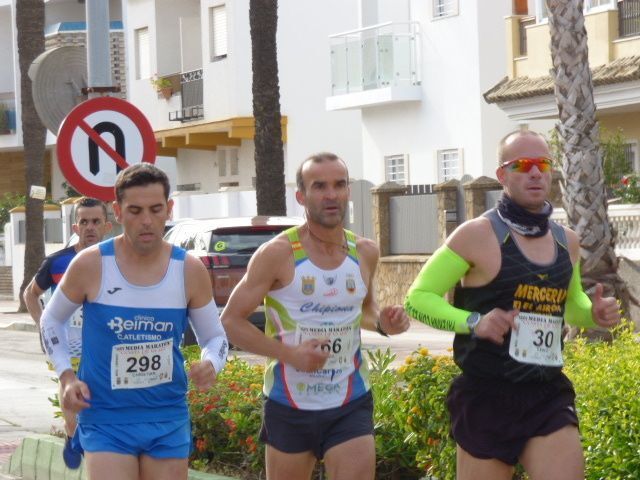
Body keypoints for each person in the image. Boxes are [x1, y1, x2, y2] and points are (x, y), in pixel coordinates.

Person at [404, 129, 620, 480]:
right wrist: (474, 321)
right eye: (522, 164)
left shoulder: (567, 241)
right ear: (502, 175)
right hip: (486, 395)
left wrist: (592, 313)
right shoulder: (475, 235)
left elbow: (571, 305)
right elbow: (417, 298)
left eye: (542, 164)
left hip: (546, 394)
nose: (535, 172)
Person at [221, 152, 411, 480]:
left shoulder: (365, 251)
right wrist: (291, 354)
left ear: (348, 191)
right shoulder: (278, 253)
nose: (331, 194)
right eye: (319, 186)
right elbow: (231, 321)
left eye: (339, 185)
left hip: (350, 400)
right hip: (290, 403)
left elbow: (365, 310)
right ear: (301, 196)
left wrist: (384, 322)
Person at [40, 163, 228, 480]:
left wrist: (212, 363)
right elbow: (51, 320)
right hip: (106, 417)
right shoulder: (91, 264)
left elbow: (215, 338)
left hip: (166, 416)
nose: (146, 221)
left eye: (156, 209)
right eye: (135, 210)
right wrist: (67, 377)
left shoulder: (188, 270)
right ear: (117, 212)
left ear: (169, 209)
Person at [24, 196, 112, 469]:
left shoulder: (117, 260)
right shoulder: (58, 262)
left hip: (103, 343)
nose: (90, 227)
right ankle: (72, 433)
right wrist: (44, 328)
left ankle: (95, 438)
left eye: (96, 221)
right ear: (75, 227)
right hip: (68, 342)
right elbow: (30, 294)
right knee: (70, 388)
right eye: (84, 222)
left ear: (107, 226)